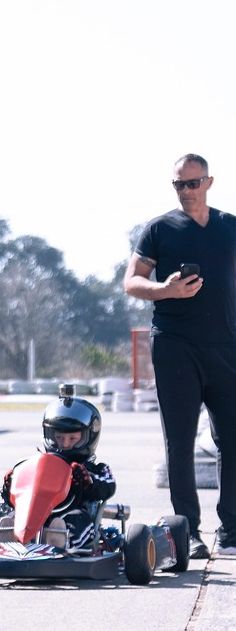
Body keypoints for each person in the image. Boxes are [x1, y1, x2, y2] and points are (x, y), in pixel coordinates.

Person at [123, 153, 236, 559]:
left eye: (192, 183)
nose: (185, 191)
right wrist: (165, 290)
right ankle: (186, 531)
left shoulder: (229, 226)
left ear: (208, 182)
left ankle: (232, 531)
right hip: (175, 344)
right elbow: (132, 281)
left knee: (232, 441)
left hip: (227, 345)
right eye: (178, 185)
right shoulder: (159, 228)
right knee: (180, 441)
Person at [1, 388, 115, 549]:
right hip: (38, 513)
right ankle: (8, 537)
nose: (65, 444)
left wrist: (87, 480)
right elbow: (20, 498)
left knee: (77, 520)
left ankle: (61, 541)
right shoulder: (38, 465)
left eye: (72, 438)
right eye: (59, 438)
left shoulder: (96, 469)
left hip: (74, 512)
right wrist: (9, 487)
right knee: (13, 515)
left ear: (89, 437)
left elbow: (108, 487)